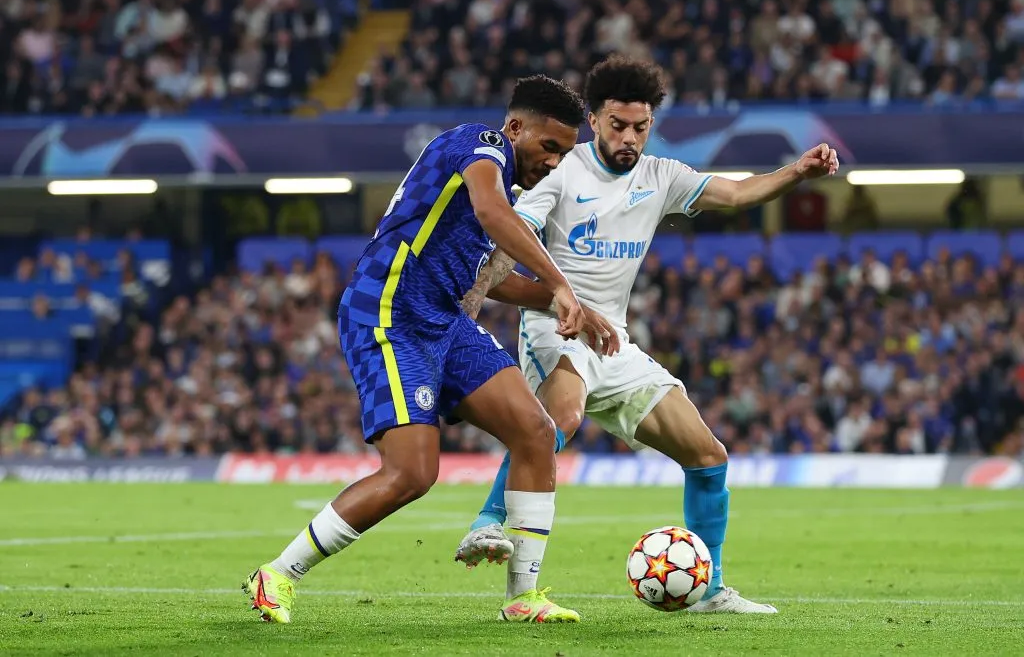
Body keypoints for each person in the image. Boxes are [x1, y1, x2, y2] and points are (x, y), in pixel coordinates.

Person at [455, 56, 839, 613]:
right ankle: (487, 521)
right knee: (559, 417)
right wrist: (481, 295)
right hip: (557, 329)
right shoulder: (562, 173)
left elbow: (734, 193)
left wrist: (795, 173)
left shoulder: (660, 177)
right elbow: (504, 248)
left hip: (617, 343)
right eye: (618, 125)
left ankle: (708, 589)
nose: (629, 138)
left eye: (640, 127)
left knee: (709, 456)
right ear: (594, 121)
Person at [244, 75, 615, 624]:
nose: (555, 161)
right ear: (515, 128)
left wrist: (574, 309)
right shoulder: (479, 147)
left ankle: (522, 597)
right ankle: (276, 574)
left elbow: (494, 283)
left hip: (443, 318)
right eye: (550, 146)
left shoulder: (503, 189)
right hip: (389, 311)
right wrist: (560, 283)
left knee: (536, 431)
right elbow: (492, 214)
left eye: (564, 152)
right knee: (412, 474)